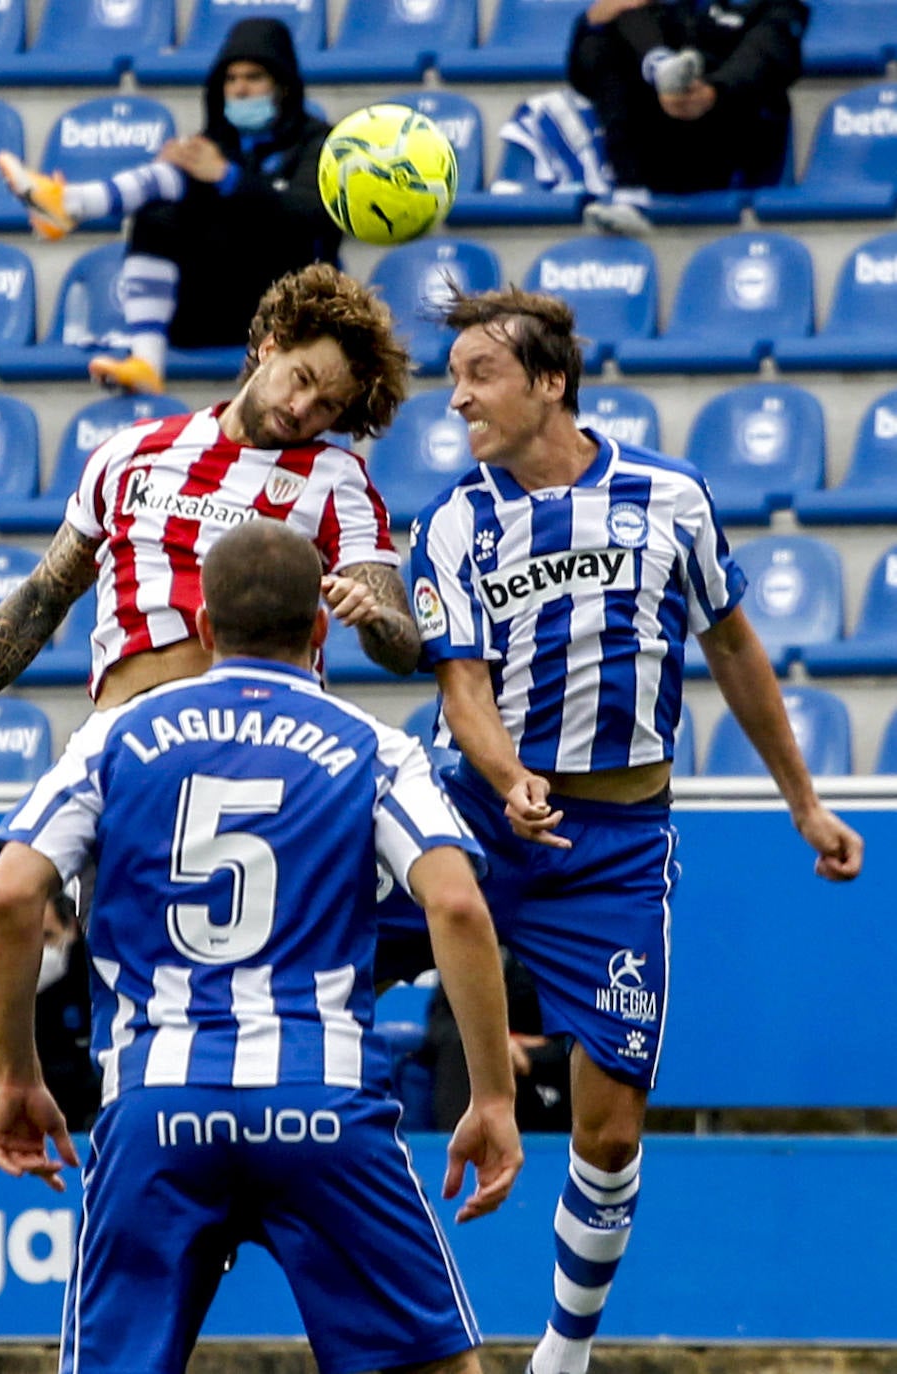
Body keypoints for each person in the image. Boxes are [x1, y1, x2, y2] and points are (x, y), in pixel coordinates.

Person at [407, 285, 864, 1374]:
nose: (457, 393)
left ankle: (561, 1359)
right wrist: (511, 773)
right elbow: (461, 690)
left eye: (480, 372)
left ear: (550, 381)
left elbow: (738, 648)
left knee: (610, 1133)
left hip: (614, 852)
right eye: (454, 374)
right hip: (475, 822)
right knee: (316, 970)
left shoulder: (671, 499)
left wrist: (804, 799)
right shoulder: (455, 519)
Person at [0, 519, 524, 1374]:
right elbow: (456, 907)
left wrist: (17, 1078)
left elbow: (9, 899)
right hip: (321, 1100)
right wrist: (491, 1097)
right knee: (438, 1367)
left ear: (201, 628)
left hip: (158, 1106)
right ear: (320, 629)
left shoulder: (114, 736)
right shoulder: (373, 747)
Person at [0, 262, 418, 789]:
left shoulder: (336, 480)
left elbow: (402, 646)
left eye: (326, 407)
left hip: (259, 754)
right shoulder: (132, 453)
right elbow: (42, 599)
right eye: (301, 378)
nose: (302, 407)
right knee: (19, 892)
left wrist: (375, 618)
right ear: (271, 346)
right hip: (126, 743)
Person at [0, 17, 341, 394]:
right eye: (231, 78)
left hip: (286, 307)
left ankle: (75, 203)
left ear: (283, 85)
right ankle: (146, 360)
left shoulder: (320, 143)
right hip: (207, 312)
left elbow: (313, 217)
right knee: (160, 207)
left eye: (254, 77)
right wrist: (186, 169)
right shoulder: (214, 141)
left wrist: (229, 178)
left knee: (187, 177)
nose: (240, 89)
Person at [492, 0, 807, 234]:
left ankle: (659, 69)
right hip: (657, 139)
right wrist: (589, 23)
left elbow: (767, 55)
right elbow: (587, 72)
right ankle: (657, 67)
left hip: (727, 140)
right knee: (605, 33)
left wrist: (714, 93)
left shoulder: (774, 6)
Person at [0, 888, 99, 1132]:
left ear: (71, 930)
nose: (36, 952)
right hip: (23, 1115)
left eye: (47, 937)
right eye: (24, 938)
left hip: (86, 1114)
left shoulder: (98, 977)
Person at [422, 950, 571, 1134]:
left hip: (541, 1068)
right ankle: (462, 1146)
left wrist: (523, 1054)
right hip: (477, 1062)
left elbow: (576, 1035)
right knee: (457, 1050)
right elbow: (437, 1029)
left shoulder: (558, 955)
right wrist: (493, 1045)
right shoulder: (466, 954)